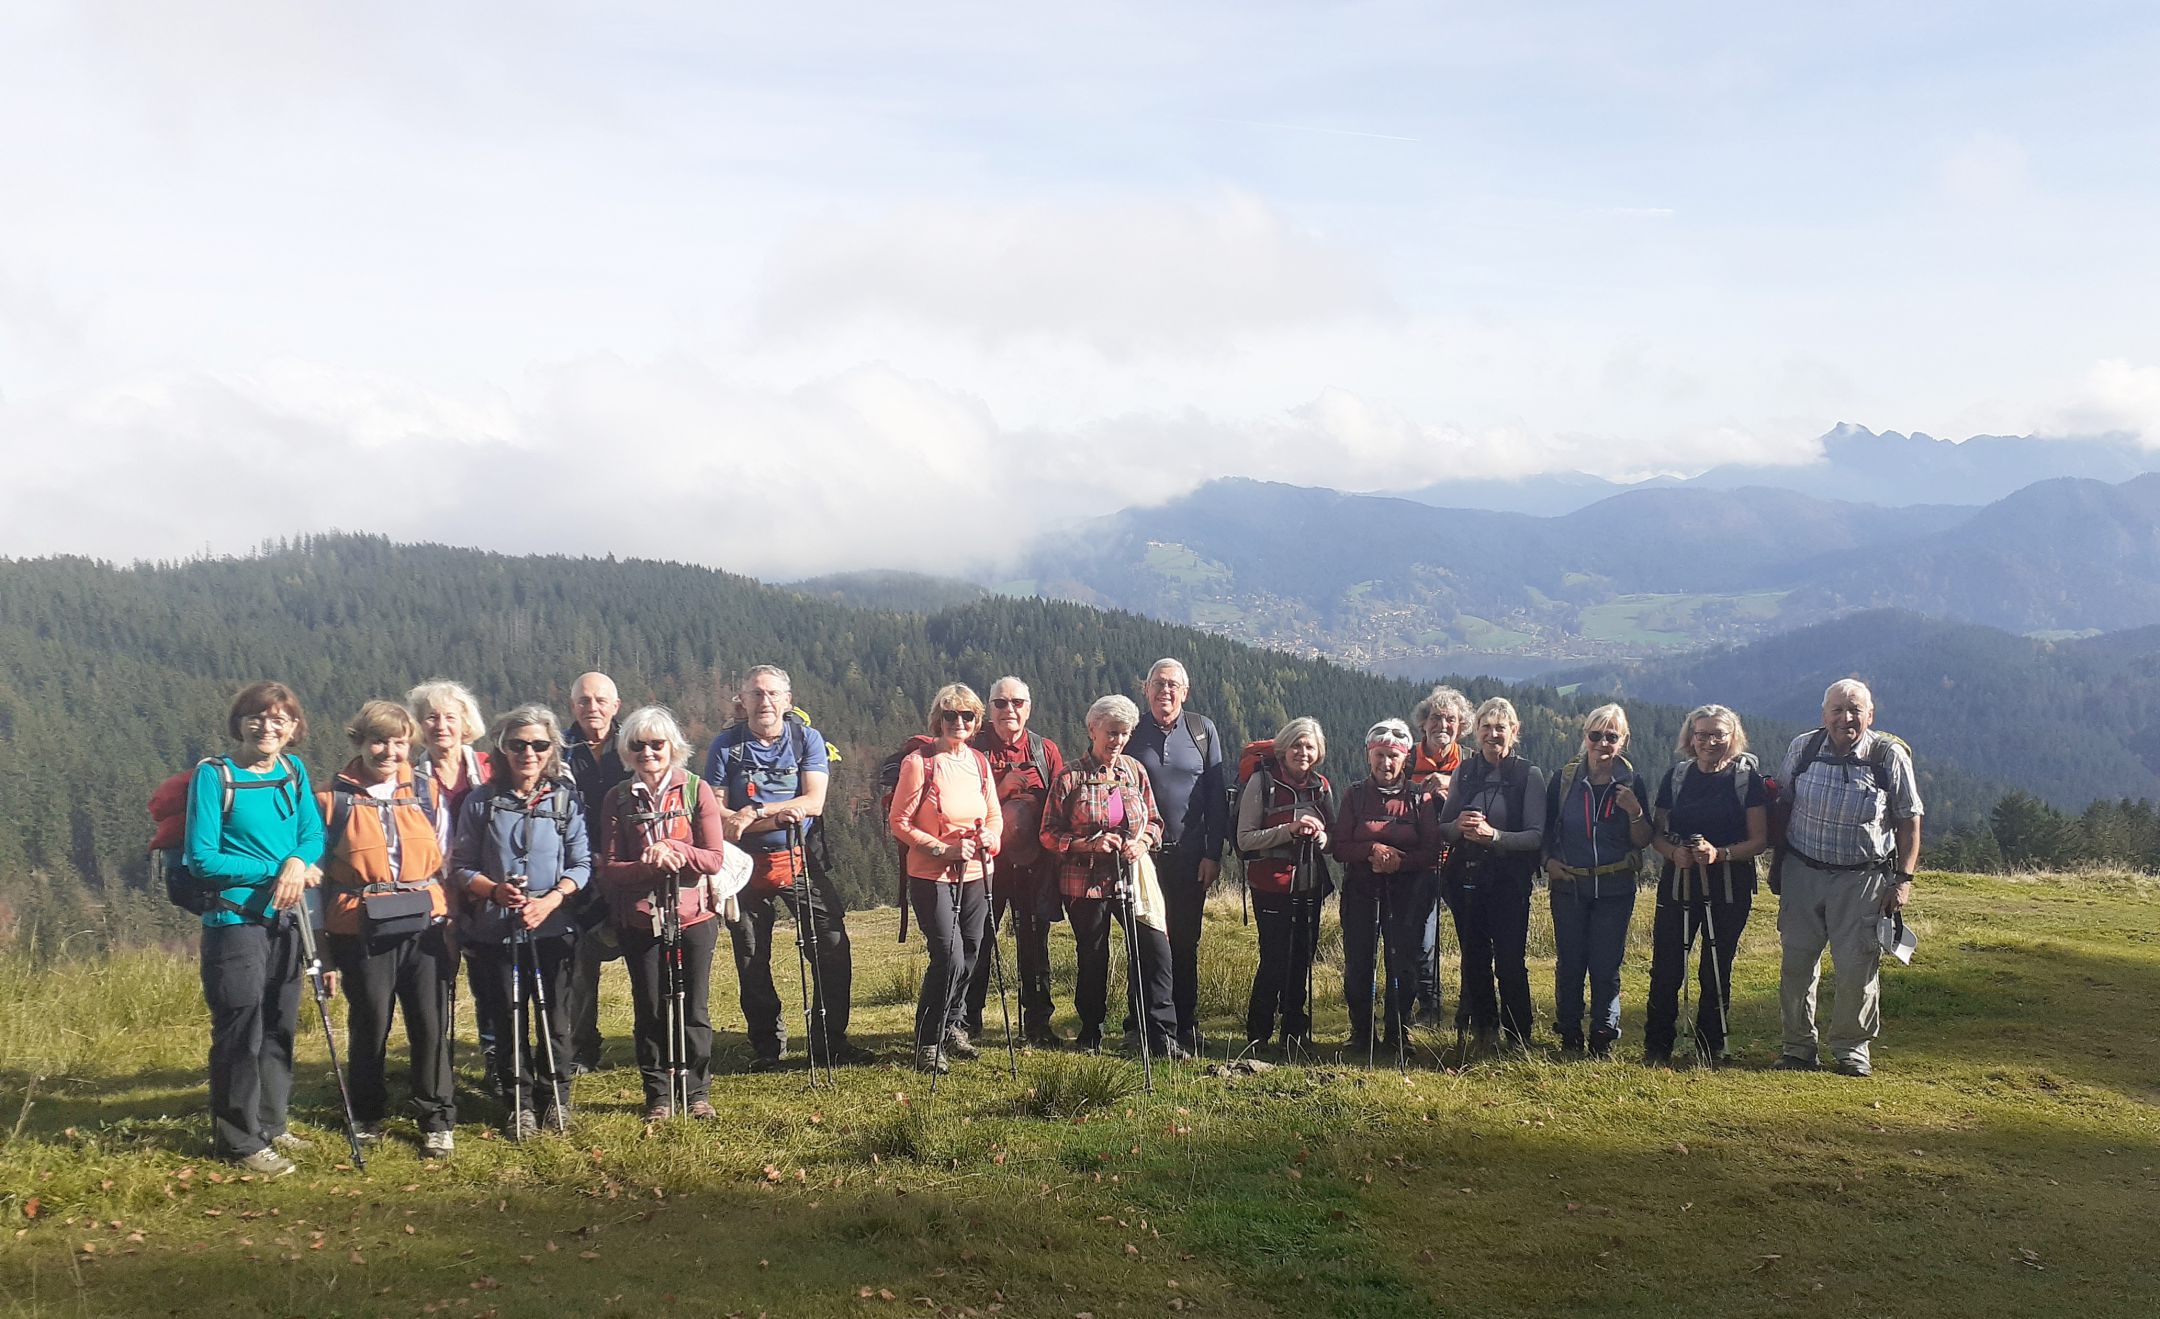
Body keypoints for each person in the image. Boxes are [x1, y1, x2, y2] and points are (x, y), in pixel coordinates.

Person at [185, 681, 324, 1177]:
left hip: (287, 919)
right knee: (240, 1027)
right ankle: (238, 1141)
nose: (268, 727)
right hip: (234, 920)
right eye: (257, 717)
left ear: (294, 729)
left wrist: (298, 860)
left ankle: (272, 1122)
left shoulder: (294, 770)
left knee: (279, 1023)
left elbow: (312, 833)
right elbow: (200, 858)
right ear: (239, 723)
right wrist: (278, 871)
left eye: (279, 719)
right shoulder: (213, 776)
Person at [315, 700, 457, 1156]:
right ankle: (367, 1114)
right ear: (358, 740)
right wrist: (322, 952)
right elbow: (317, 879)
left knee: (430, 1023)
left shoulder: (426, 791)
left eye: (399, 742)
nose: (389, 751)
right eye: (379, 740)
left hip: (425, 925)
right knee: (371, 1022)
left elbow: (447, 859)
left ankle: (436, 1118)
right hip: (360, 927)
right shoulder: (330, 801)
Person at [705, 665, 858, 1069]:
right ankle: (767, 1047)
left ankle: (829, 1042)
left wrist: (754, 812)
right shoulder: (725, 746)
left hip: (798, 858)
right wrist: (775, 815)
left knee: (832, 943)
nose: (765, 701)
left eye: (773, 694)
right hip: (743, 868)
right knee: (752, 957)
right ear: (743, 700)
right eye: (756, 694)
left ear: (788, 700)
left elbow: (813, 802)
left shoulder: (806, 739)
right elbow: (718, 816)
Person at [1770, 680, 1923, 1077]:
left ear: (1870, 716)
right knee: (1797, 964)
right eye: (1837, 710)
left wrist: (1903, 880)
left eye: (1855, 710)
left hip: (1864, 879)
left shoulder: (1887, 756)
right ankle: (1797, 1047)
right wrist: (1775, 862)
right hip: (1802, 873)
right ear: (1823, 715)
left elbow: (1909, 820)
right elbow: (1782, 801)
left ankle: (1852, 1049)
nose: (1845, 718)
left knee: (1857, 966)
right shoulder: (1802, 749)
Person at [453, 705, 591, 1138]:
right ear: (502, 748)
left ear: (551, 749)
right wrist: (493, 890)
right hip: (497, 928)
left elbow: (583, 865)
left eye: (538, 745)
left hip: (553, 927)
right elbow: (460, 866)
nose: (528, 753)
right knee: (509, 1018)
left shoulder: (566, 800)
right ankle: (519, 1102)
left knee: (555, 1018)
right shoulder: (480, 802)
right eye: (518, 745)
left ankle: (556, 1100)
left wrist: (551, 900)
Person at [597, 706, 730, 1119]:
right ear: (627, 751)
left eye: (657, 744)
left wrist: (673, 849)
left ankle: (697, 1093)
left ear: (673, 747)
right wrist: (649, 866)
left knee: (695, 1007)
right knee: (650, 1006)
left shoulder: (696, 790)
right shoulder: (617, 798)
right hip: (640, 917)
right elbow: (611, 868)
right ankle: (658, 1095)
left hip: (694, 916)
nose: (649, 752)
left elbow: (712, 858)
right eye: (638, 745)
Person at [1040, 696, 1182, 1059]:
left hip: (1133, 879)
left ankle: (1159, 1033)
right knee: (1093, 955)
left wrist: (1143, 842)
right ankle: (1091, 1032)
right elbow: (1048, 834)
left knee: (1153, 950)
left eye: (1123, 734)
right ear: (1092, 730)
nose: (1117, 741)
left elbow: (1155, 821)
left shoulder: (1134, 771)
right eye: (1110, 733)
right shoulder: (1070, 777)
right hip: (1084, 884)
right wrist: (1088, 845)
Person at [888, 684, 1004, 1073]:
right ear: (937, 719)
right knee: (949, 956)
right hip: (930, 875)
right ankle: (928, 1041)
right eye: (950, 715)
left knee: (971, 951)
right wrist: (941, 849)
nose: (959, 722)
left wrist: (991, 837)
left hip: (976, 872)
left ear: (976, 721)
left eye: (967, 716)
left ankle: (953, 1025)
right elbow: (899, 823)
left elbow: (994, 815)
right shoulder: (919, 764)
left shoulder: (979, 763)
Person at [1646, 704, 1769, 1065]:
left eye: (1718, 734)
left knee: (1715, 966)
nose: (1710, 741)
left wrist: (1720, 854)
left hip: (1729, 884)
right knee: (1666, 966)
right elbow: (1657, 832)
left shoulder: (1747, 779)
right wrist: (1672, 852)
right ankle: (1657, 1046)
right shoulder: (1677, 776)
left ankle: (1709, 1046)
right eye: (1702, 734)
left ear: (1733, 738)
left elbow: (1759, 841)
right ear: (1691, 737)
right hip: (1679, 880)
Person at [1126, 658, 1229, 1053]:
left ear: (1185, 692)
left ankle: (1184, 1024)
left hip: (1190, 858)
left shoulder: (1202, 731)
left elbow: (1216, 798)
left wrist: (1213, 854)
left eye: (1172, 685)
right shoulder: (1132, 731)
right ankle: (1139, 1025)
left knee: (1185, 943)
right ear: (1145, 690)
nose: (1165, 691)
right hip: (1142, 858)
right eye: (1157, 684)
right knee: (1144, 942)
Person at [963, 676, 1067, 1047]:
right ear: (988, 709)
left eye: (1017, 702)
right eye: (1000, 703)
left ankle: (1038, 1025)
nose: (1010, 710)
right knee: (977, 941)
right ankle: (966, 1023)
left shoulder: (1045, 751)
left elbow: (1062, 804)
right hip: (983, 866)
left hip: (1036, 865)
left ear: (1029, 706)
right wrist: (998, 788)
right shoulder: (971, 749)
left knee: (1035, 945)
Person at [1542, 705, 1652, 1058]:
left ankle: (1603, 1035)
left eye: (1611, 736)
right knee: (1570, 962)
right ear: (1584, 736)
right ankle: (1570, 1032)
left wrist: (1634, 810)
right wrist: (1547, 862)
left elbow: (1643, 840)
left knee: (1606, 964)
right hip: (1569, 886)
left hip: (1615, 887)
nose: (1602, 743)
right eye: (1595, 735)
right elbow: (1546, 830)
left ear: (1623, 741)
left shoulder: (1634, 784)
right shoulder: (1563, 780)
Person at [1437, 697, 1547, 1049]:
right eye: (1486, 727)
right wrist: (1459, 825)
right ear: (1477, 731)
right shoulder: (1465, 772)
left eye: (1501, 727)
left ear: (1514, 732)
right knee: (1473, 956)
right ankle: (1484, 1028)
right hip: (1466, 877)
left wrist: (1494, 836)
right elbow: (1443, 828)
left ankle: (1518, 1035)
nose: (1493, 734)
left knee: (1510, 959)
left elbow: (1536, 835)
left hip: (1509, 880)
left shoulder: (1528, 775)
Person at [1331, 719, 1440, 1055]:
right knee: (1359, 963)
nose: (1386, 762)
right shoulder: (1355, 795)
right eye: (1379, 755)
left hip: (1407, 894)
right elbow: (1339, 847)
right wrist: (1370, 851)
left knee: (1403, 963)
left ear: (1405, 758)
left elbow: (1432, 851)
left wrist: (1399, 862)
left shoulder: (1420, 798)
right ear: (1369, 756)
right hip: (1362, 893)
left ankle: (1397, 1032)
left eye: (1393, 755)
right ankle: (1361, 1032)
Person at [407, 679, 494, 1076]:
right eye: (430, 717)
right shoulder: (407, 778)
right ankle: (436, 1071)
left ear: (465, 723)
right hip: (433, 894)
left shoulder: (490, 770)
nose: (441, 725)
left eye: (449, 717)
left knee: (490, 983)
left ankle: (496, 1064)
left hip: (484, 891)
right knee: (434, 982)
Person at [1237, 716, 1337, 1053]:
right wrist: (1289, 830)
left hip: (1309, 884)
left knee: (1302, 959)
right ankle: (1259, 1031)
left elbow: (1334, 838)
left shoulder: (1320, 786)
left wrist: (1320, 836)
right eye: (1296, 745)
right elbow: (1245, 838)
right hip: (1271, 885)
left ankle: (1295, 1031)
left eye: (1309, 746)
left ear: (1319, 752)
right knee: (1275, 958)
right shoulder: (1262, 783)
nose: (1303, 752)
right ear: (1284, 748)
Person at [563, 671, 631, 1075]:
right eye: (584, 700)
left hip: (631, 867)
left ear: (615, 705)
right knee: (578, 960)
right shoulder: (556, 749)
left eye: (601, 700)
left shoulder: (634, 743)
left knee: (646, 956)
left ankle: (652, 1041)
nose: (593, 708)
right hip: (578, 868)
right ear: (573, 706)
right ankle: (580, 1049)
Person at [1407, 685, 1472, 1025]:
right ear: (1423, 724)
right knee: (1422, 939)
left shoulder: (1472, 764)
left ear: (1461, 726)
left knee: (1471, 937)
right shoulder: (1405, 760)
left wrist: (1450, 787)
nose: (1442, 725)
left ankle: (1469, 1009)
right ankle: (1429, 1009)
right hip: (1420, 863)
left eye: (1451, 720)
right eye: (1435, 718)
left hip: (1462, 863)